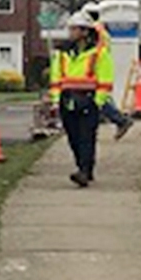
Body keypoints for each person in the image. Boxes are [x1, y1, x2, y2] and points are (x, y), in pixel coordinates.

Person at [51, 11, 114, 188]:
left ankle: (84, 171)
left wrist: (98, 102)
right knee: (73, 138)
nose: (71, 33)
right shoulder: (62, 53)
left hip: (88, 100)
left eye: (74, 29)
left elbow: (105, 79)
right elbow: (56, 77)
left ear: (85, 32)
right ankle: (84, 167)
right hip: (68, 99)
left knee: (87, 137)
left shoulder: (98, 53)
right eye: (70, 29)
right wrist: (56, 100)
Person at [81, 3, 136, 140]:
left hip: (94, 68)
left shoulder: (93, 31)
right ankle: (112, 121)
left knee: (98, 99)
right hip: (102, 67)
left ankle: (120, 120)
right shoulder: (103, 31)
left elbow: (92, 52)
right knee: (100, 97)